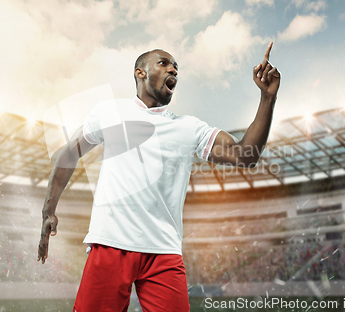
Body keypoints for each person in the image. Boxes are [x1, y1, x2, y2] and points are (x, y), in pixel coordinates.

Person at [38, 42, 281, 311]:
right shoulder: (109, 112)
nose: (173, 68)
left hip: (163, 253)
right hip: (110, 244)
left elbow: (245, 155)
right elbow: (67, 155)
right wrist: (48, 209)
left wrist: (267, 99)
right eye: (164, 63)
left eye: (176, 66)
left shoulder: (189, 128)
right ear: (140, 72)